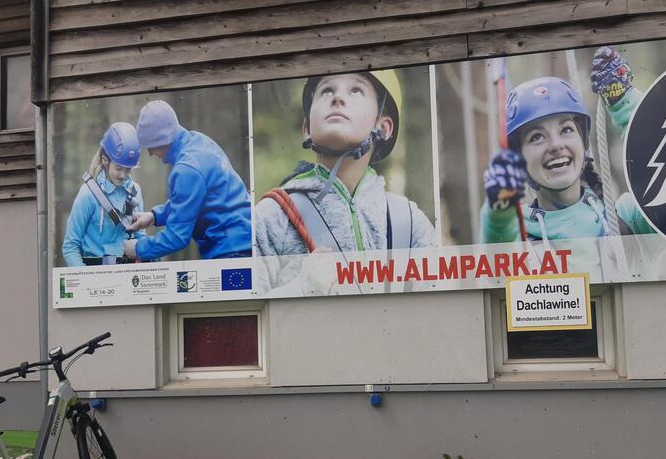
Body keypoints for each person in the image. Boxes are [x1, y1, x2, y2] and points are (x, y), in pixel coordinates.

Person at [479, 47, 664, 279]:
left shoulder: (629, 221)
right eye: (537, 137)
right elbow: (499, 250)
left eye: (566, 129)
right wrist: (500, 212)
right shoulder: (520, 237)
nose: (555, 145)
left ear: (584, 144)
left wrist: (624, 103)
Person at [254, 70, 436, 294]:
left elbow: (438, 316)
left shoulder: (409, 224)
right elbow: (248, 320)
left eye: (356, 90)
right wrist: (305, 287)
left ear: (384, 128)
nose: (337, 98)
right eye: (326, 90)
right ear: (307, 129)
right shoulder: (273, 216)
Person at [122, 100, 252, 261]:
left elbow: (177, 237)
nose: (150, 153)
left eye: (150, 146)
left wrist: (138, 248)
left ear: (162, 140)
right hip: (246, 239)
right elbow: (192, 201)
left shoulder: (187, 170)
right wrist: (155, 217)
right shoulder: (199, 141)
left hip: (233, 251)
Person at [62, 122, 145, 267]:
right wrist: (85, 280)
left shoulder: (135, 192)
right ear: (105, 160)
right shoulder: (88, 193)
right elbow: (70, 245)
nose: (123, 175)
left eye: (128, 170)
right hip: (94, 273)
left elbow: (140, 237)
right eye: (118, 168)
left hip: (128, 274)